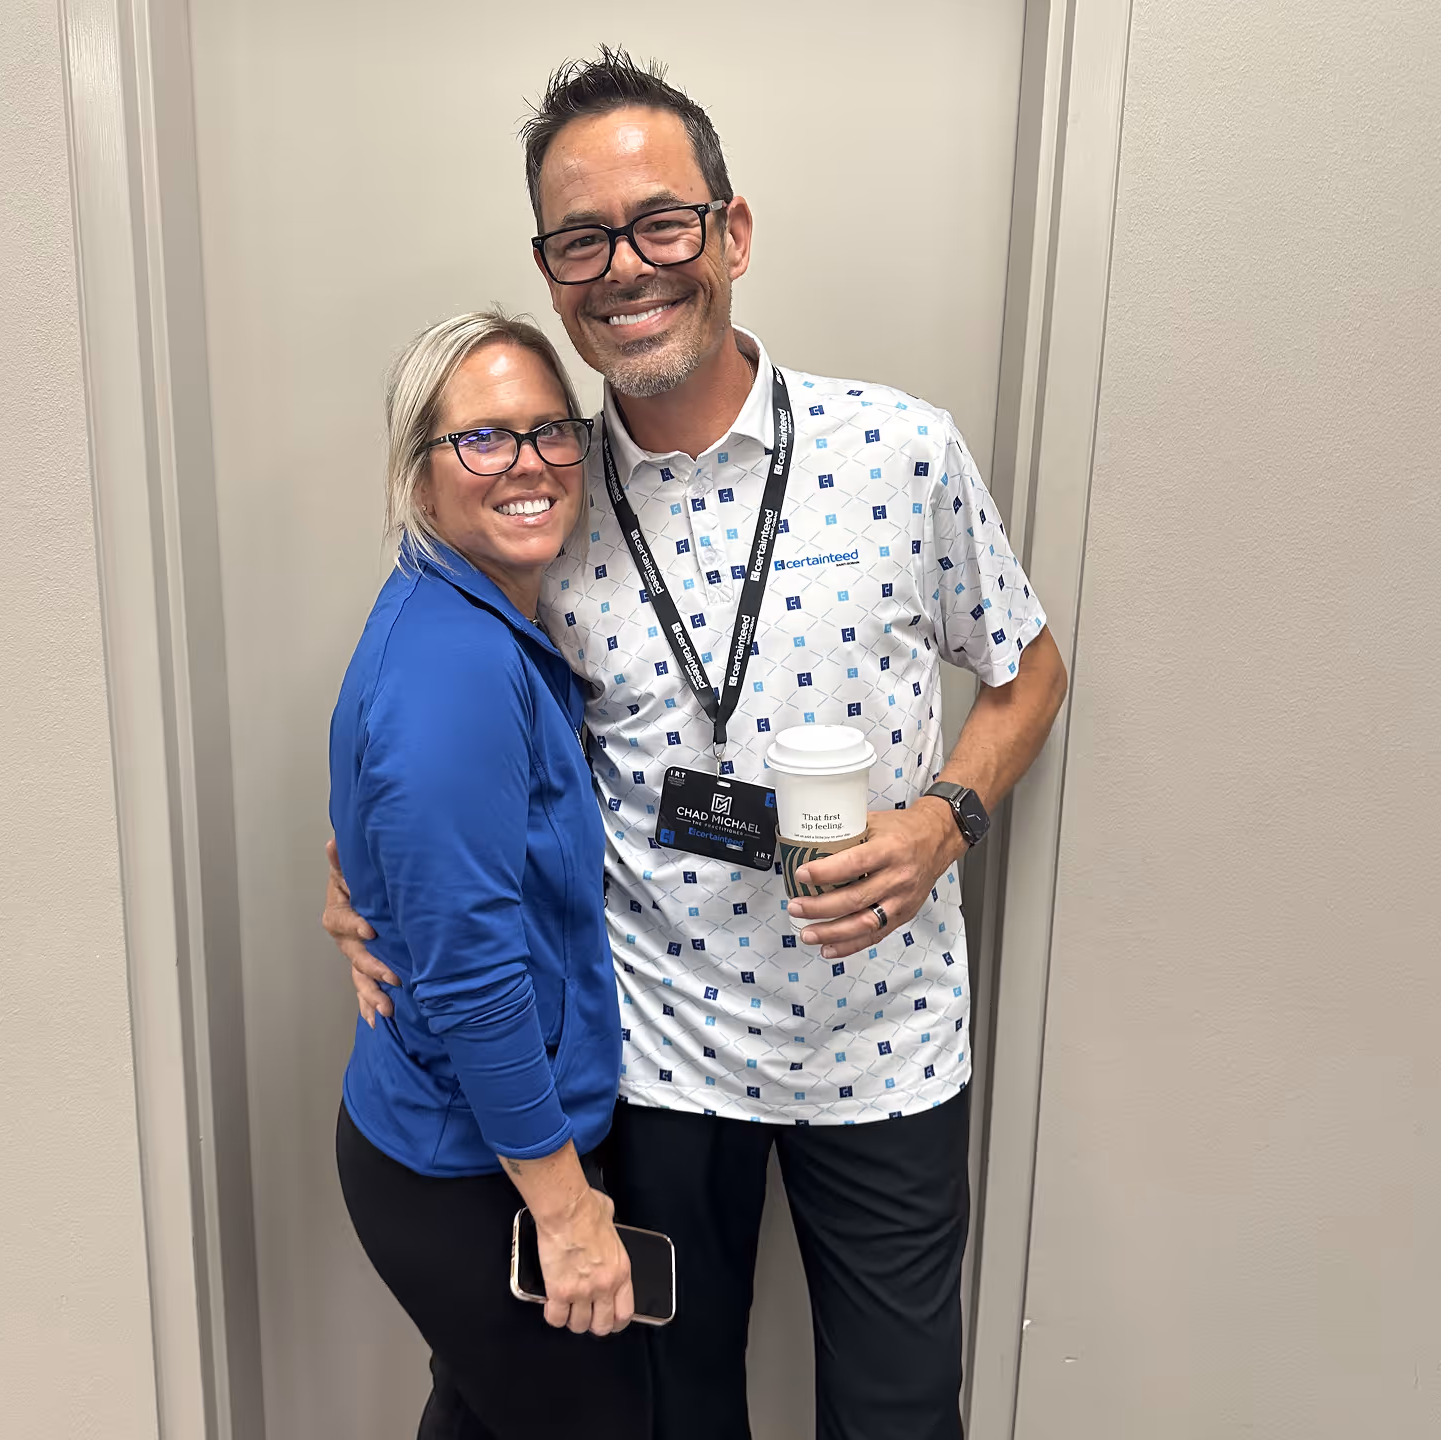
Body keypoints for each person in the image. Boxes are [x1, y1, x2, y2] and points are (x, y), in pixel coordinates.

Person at [324, 50, 1069, 1440]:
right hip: (658, 1067)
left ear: (730, 231)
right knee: (676, 1419)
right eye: (581, 238)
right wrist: (353, 872)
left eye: (661, 223)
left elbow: (1030, 673)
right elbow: (452, 746)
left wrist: (944, 820)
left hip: (886, 1047)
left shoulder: (900, 451)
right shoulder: (538, 491)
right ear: (551, 271)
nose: (627, 267)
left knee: (900, 1417)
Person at [327, 307, 649, 1440]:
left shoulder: (472, 621)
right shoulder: (454, 669)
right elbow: (471, 978)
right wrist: (565, 1217)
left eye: (550, 430)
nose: (527, 462)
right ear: (421, 479)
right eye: (483, 438)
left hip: (473, 1151)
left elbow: (432, 858)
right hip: (472, 1170)